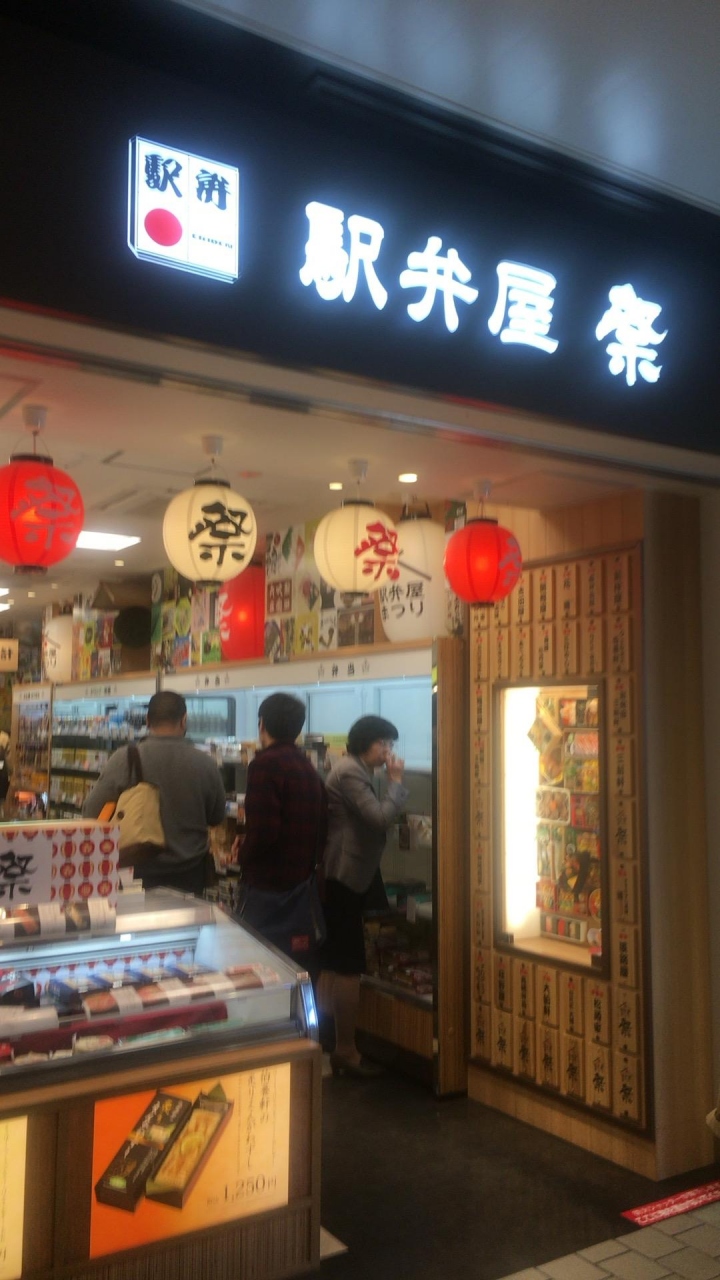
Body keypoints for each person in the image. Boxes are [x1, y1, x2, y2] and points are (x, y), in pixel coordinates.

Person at [319, 715, 408, 1079]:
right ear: (363, 742)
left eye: (390, 744)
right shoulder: (351, 773)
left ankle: (328, 1042)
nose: (387, 751)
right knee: (348, 965)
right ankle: (345, 1049)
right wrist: (396, 783)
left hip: (346, 874)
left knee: (334, 962)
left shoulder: (354, 769)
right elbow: (379, 818)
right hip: (345, 875)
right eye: (382, 743)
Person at [82, 690, 226, 895]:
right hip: (190, 875)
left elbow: (91, 811)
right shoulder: (206, 763)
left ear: (148, 720)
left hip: (136, 872)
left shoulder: (126, 758)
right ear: (184, 720)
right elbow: (217, 816)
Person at [232, 692, 327, 976]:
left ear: (262, 723)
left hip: (268, 891)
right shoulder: (307, 766)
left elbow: (265, 831)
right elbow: (321, 827)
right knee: (295, 967)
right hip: (301, 888)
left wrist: (242, 854)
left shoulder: (265, 764)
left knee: (259, 967)